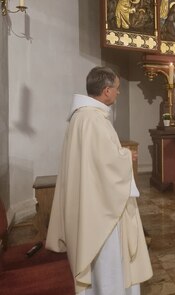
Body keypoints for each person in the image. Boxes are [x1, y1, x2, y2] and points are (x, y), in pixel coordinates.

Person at [46, 66, 153, 294]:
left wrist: (119, 154)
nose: (118, 93)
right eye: (117, 89)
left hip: (91, 199)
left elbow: (97, 161)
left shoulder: (82, 116)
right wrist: (127, 156)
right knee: (108, 259)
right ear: (106, 91)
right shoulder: (94, 120)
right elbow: (108, 167)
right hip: (102, 210)